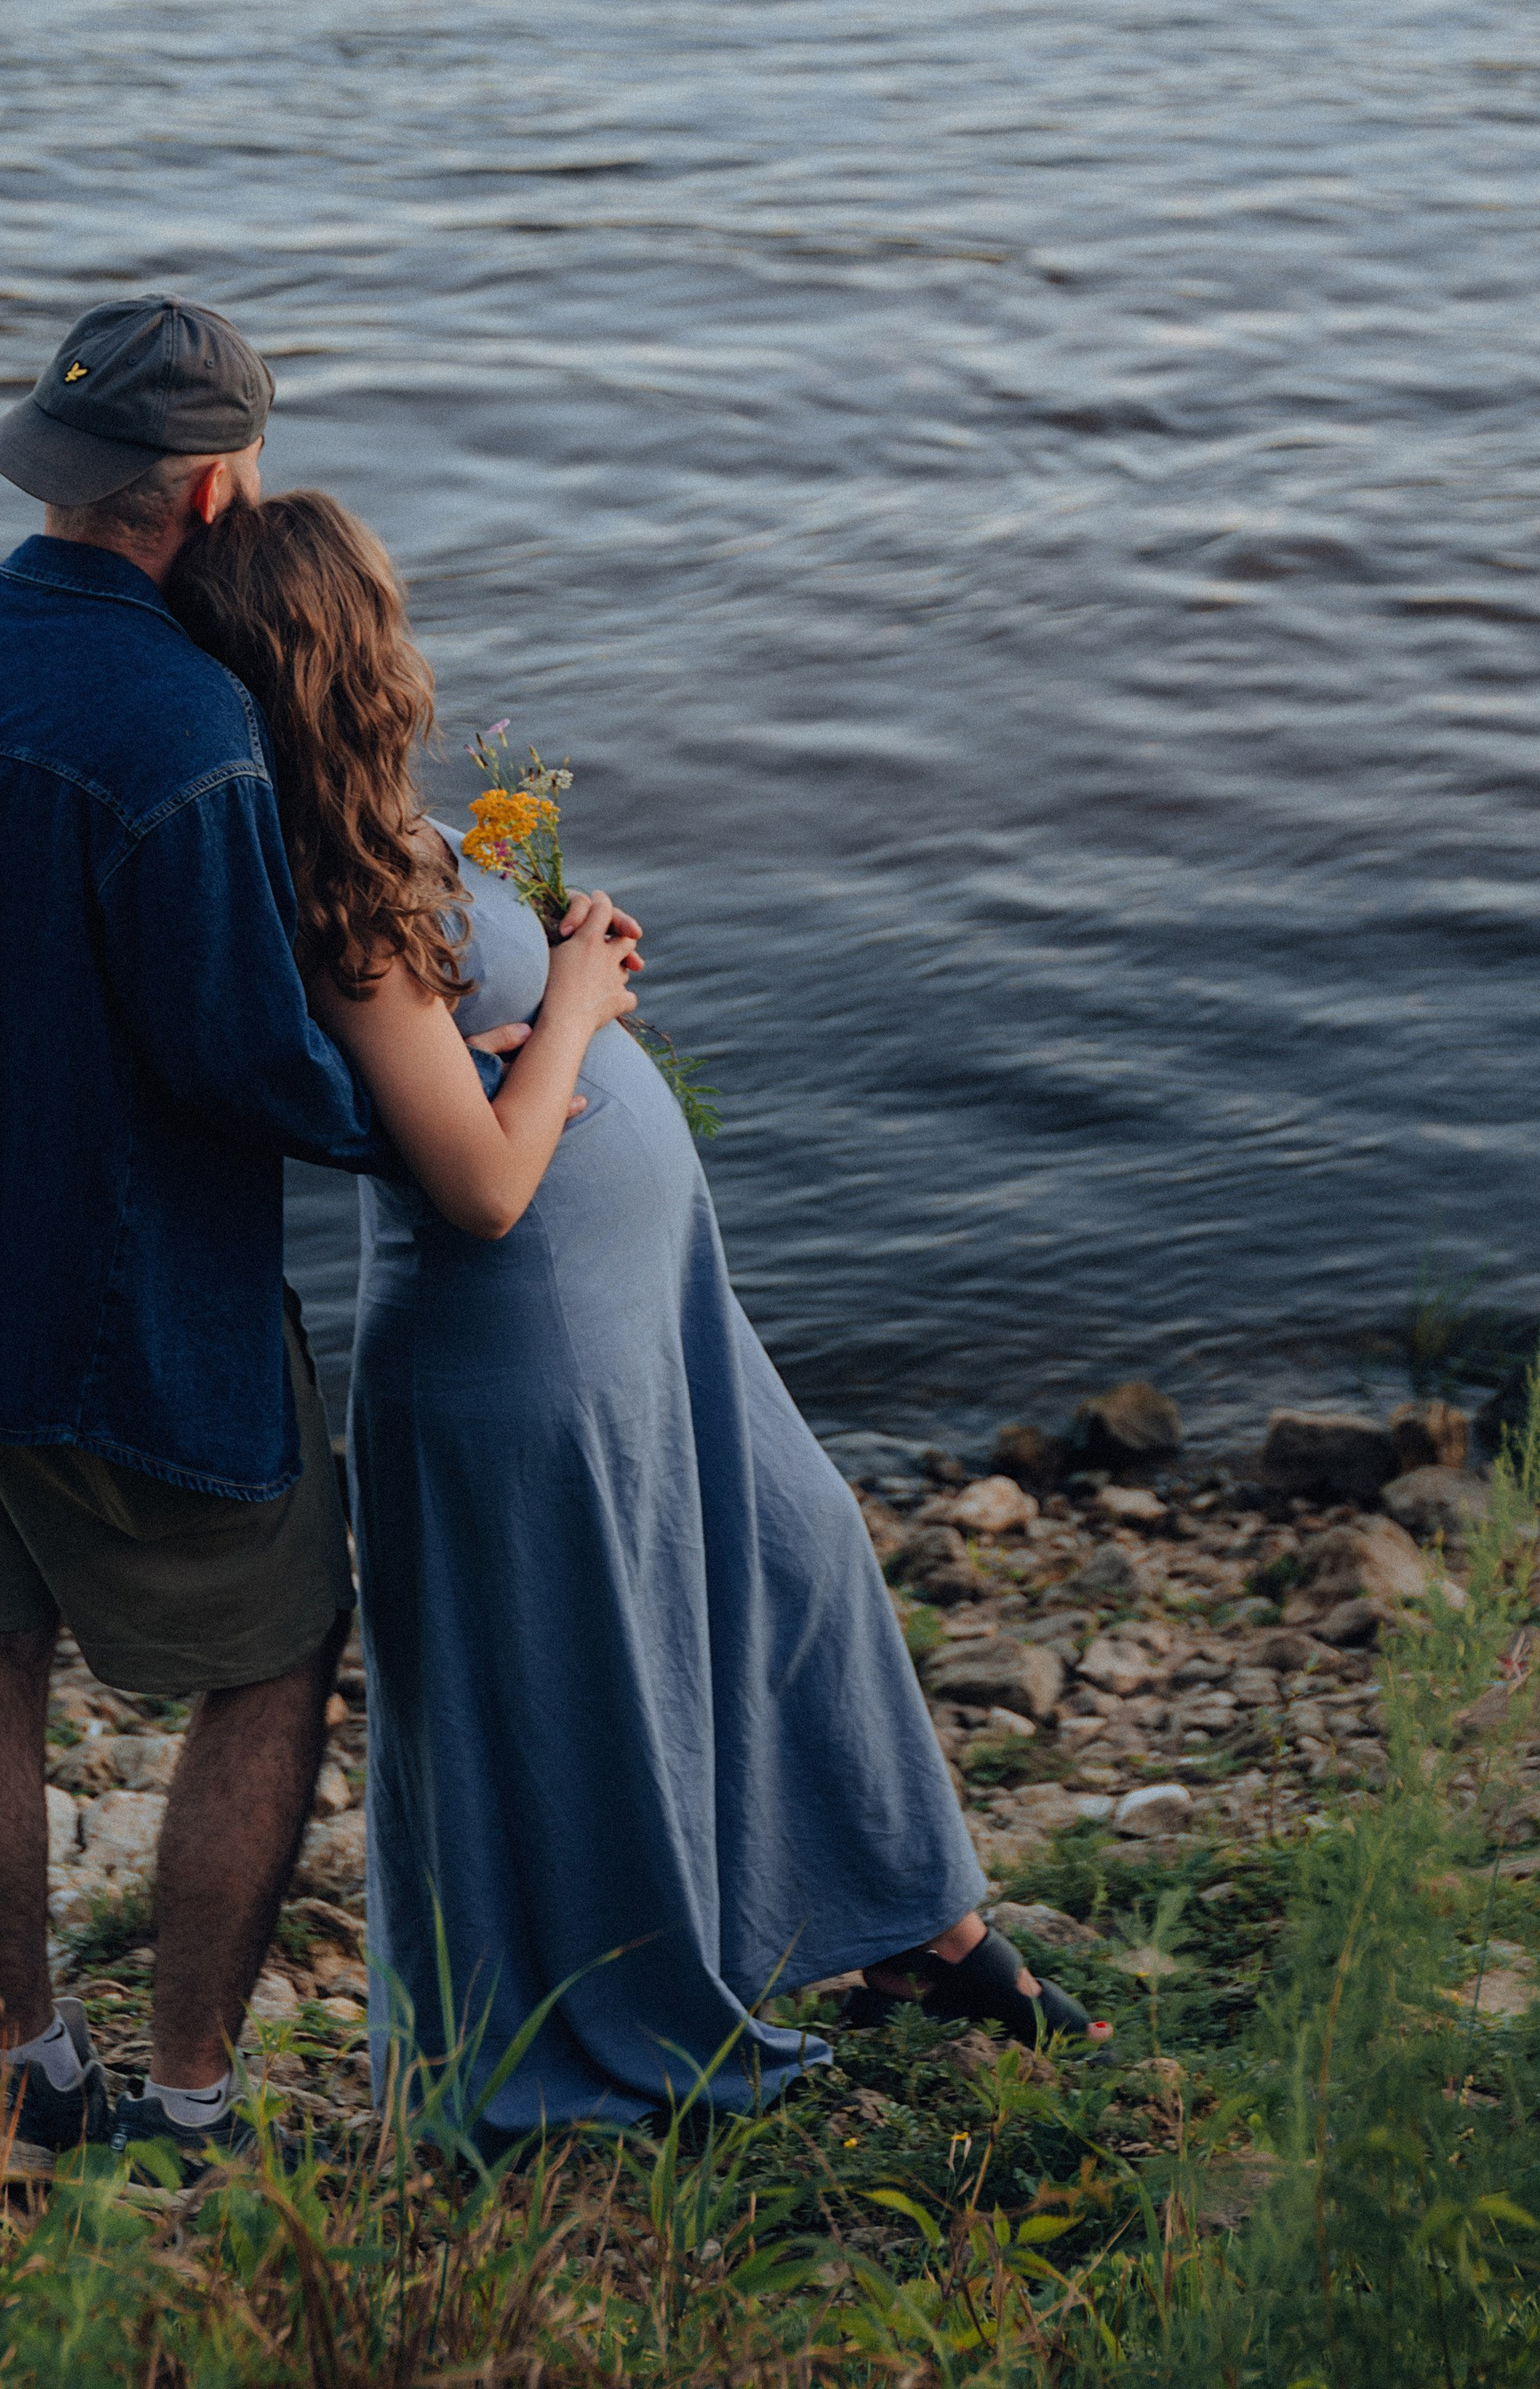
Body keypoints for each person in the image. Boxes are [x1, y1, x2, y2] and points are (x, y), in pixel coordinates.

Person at [166, 490, 1109, 2144]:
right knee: (585, 1694)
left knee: (793, 1558)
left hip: (642, 1314)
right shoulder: (333, 893)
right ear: (348, 656)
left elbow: (479, 1051)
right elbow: (478, 1187)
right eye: (388, 615)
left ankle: (911, 1929)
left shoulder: (386, 841)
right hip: (522, 1349)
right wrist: (578, 1006)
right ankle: (610, 2028)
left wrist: (559, 941)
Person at [0, 297, 384, 2179]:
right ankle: (194, 2095)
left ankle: (29, 2058)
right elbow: (247, 1066)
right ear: (212, 487)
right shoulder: (182, 724)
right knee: (273, 1650)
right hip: (120, 1306)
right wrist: (481, 1091)